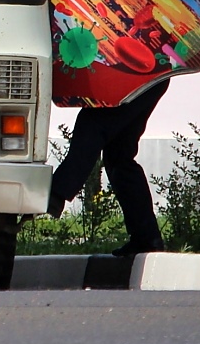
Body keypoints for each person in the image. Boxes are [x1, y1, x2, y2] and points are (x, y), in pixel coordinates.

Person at [46, 78, 169, 257]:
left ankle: (55, 194)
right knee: (119, 155)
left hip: (138, 74)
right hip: (151, 76)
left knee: (93, 124)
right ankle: (146, 238)